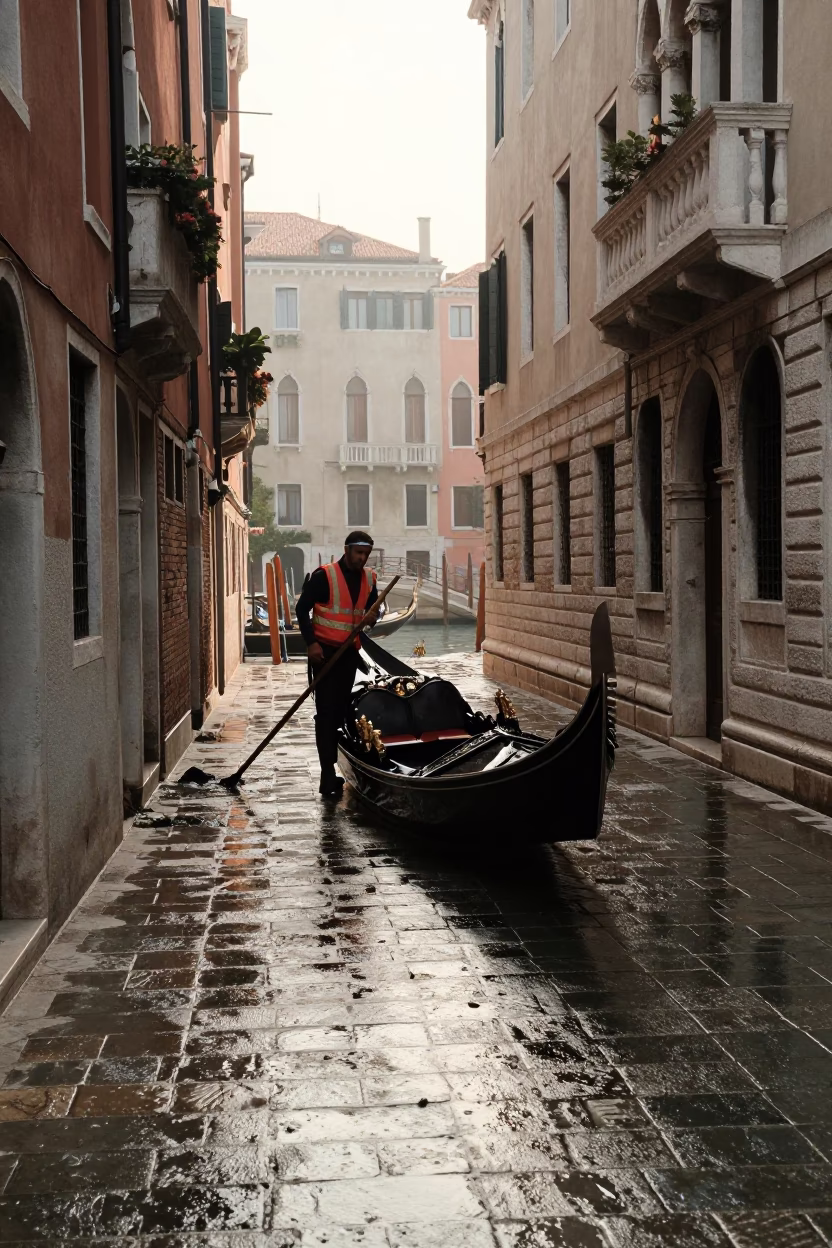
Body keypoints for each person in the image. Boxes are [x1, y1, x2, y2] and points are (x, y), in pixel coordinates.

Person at [295, 532, 380, 795]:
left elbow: (372, 611)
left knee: (344, 710)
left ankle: (342, 766)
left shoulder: (370, 578)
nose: (362, 558)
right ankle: (326, 774)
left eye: (366, 554)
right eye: (358, 553)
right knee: (327, 714)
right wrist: (311, 644)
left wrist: (373, 618)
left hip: (349, 654)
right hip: (325, 654)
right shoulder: (325, 576)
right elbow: (301, 609)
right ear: (347, 549)